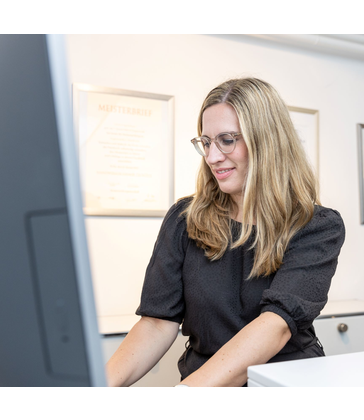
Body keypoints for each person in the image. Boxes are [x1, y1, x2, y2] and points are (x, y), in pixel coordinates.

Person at [105, 77, 345, 387]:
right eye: (205, 142)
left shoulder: (316, 226)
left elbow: (276, 326)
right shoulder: (185, 219)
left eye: (227, 140)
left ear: (266, 141)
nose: (212, 156)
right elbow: (156, 322)